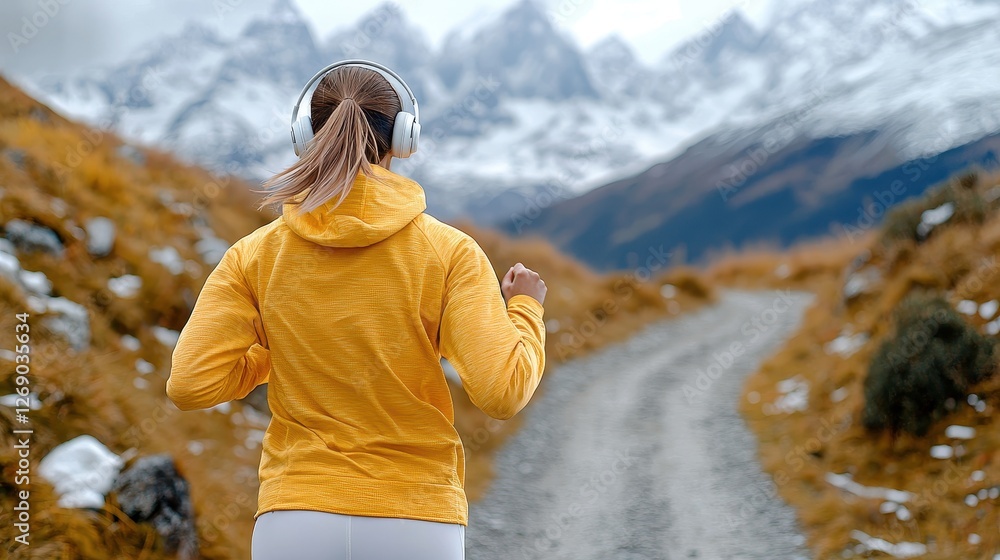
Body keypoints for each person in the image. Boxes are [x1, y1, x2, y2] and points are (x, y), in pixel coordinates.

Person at [164, 59, 547, 560]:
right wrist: (524, 310)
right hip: (416, 519)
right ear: (404, 138)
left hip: (294, 518)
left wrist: (276, 353)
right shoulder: (450, 252)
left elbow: (191, 385)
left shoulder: (253, 255)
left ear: (306, 136)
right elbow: (502, 393)